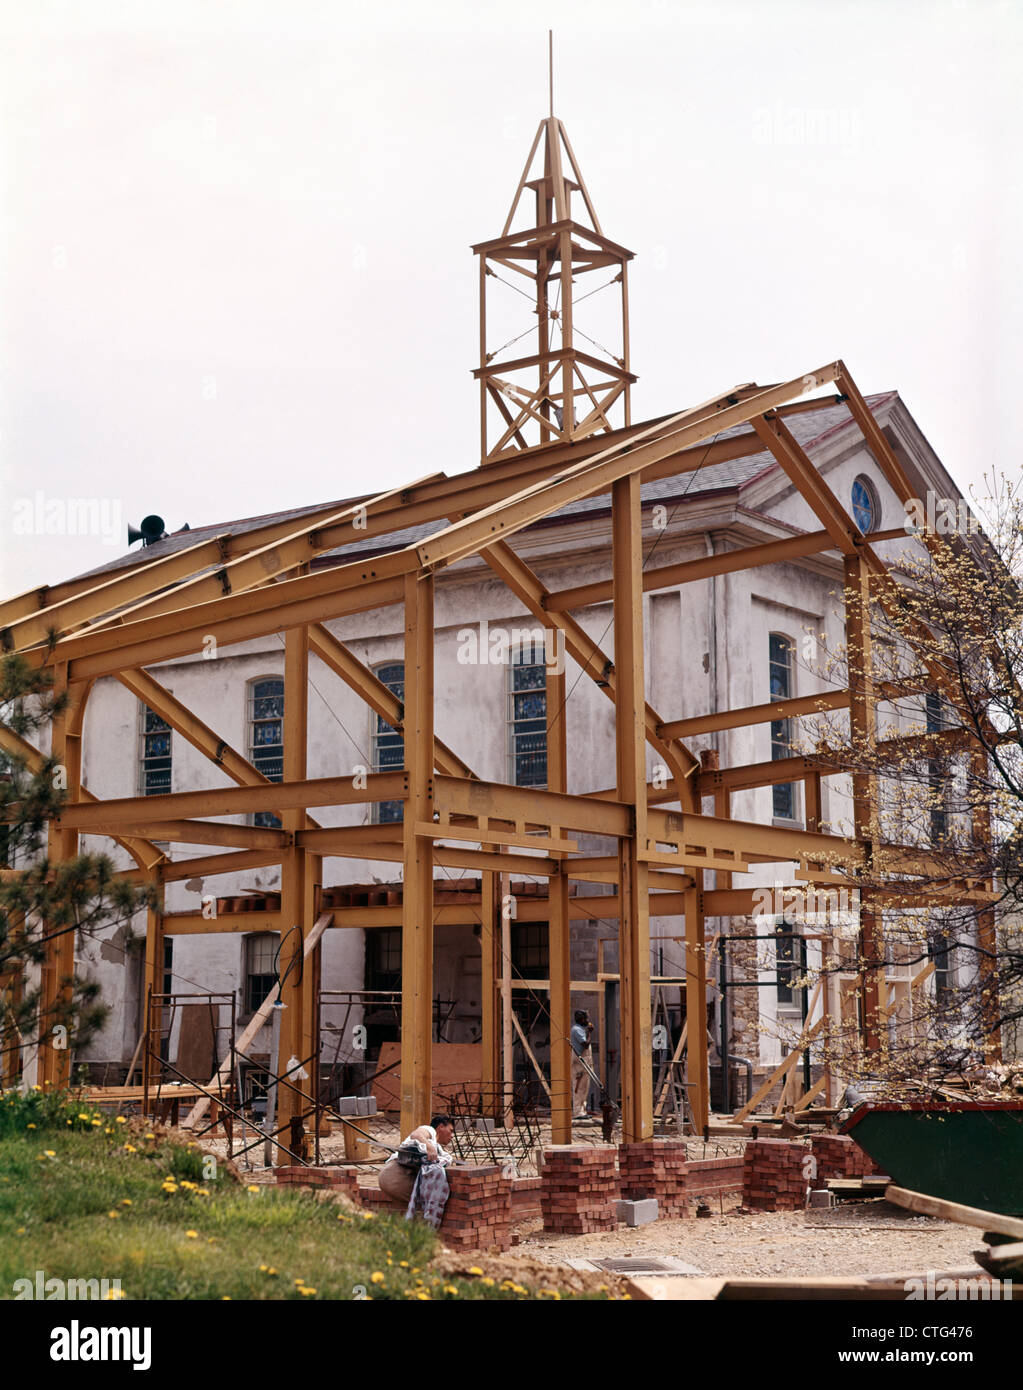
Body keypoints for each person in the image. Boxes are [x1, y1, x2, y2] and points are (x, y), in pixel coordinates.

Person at [377, 1115, 455, 1229]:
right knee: (430, 1202)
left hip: (395, 1178)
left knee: (417, 1208)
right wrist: (429, 1146)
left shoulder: (438, 1147)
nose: (452, 1136)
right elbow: (416, 1134)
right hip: (396, 1175)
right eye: (451, 1130)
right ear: (441, 1127)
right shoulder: (430, 1130)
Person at [570, 1010, 594, 1119]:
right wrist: (589, 1032)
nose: (588, 1021)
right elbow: (585, 1044)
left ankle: (582, 1111)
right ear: (581, 1019)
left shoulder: (580, 1029)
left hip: (584, 1063)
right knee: (578, 1087)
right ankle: (577, 1112)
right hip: (579, 1063)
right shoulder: (577, 1030)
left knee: (584, 1088)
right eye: (587, 1018)